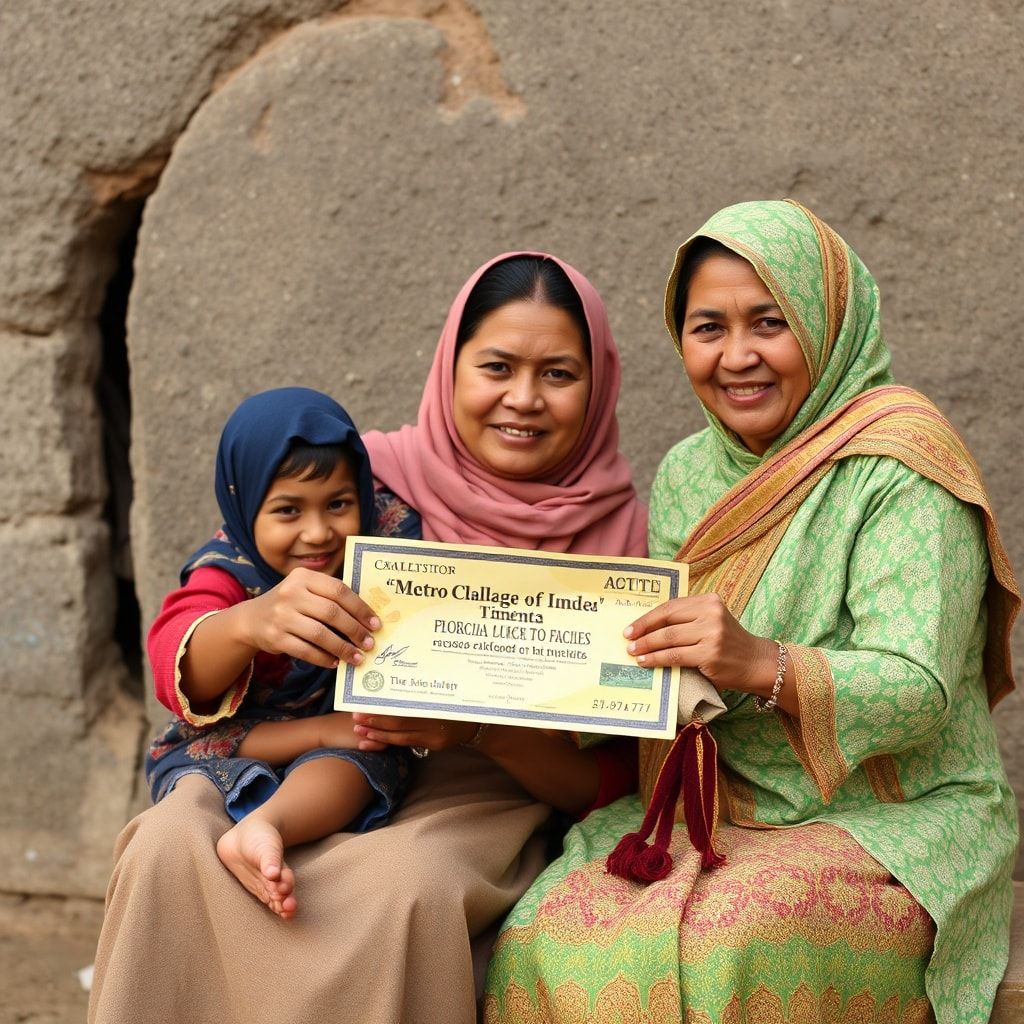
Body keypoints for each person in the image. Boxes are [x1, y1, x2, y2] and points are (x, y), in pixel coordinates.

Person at [484, 201, 1020, 1024]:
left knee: (723, 952)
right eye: (708, 328)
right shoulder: (690, 472)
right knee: (541, 936)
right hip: (720, 802)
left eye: (768, 322)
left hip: (894, 817)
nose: (737, 357)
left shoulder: (902, 464)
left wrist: (761, 663)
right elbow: (675, 679)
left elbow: (920, 690)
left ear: (824, 320)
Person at [88, 253, 646, 1024]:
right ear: (450, 369)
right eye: (496, 366)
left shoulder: (622, 549)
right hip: (289, 756)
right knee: (165, 845)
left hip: (477, 791)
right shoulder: (355, 485)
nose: (524, 398)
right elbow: (202, 613)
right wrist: (254, 623)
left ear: (602, 382)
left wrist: (478, 730)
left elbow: (611, 779)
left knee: (406, 890)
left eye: (558, 373)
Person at [144, 387, 416, 919]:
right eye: (288, 510)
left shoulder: (391, 540)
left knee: (358, 756)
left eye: (338, 503)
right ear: (244, 503)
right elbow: (172, 659)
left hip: (349, 737)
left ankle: (267, 826)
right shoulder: (227, 568)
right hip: (240, 741)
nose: (318, 533)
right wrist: (248, 624)